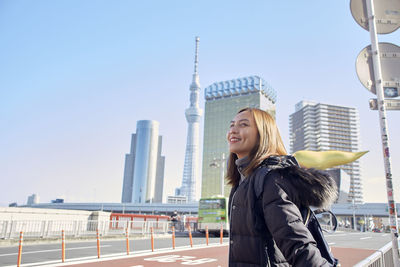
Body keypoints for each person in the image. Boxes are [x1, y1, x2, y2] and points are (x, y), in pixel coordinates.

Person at [227, 108, 338, 266]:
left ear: (263, 135)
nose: (233, 130)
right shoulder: (241, 182)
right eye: (232, 125)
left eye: (243, 125)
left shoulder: (270, 179)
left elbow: (298, 246)